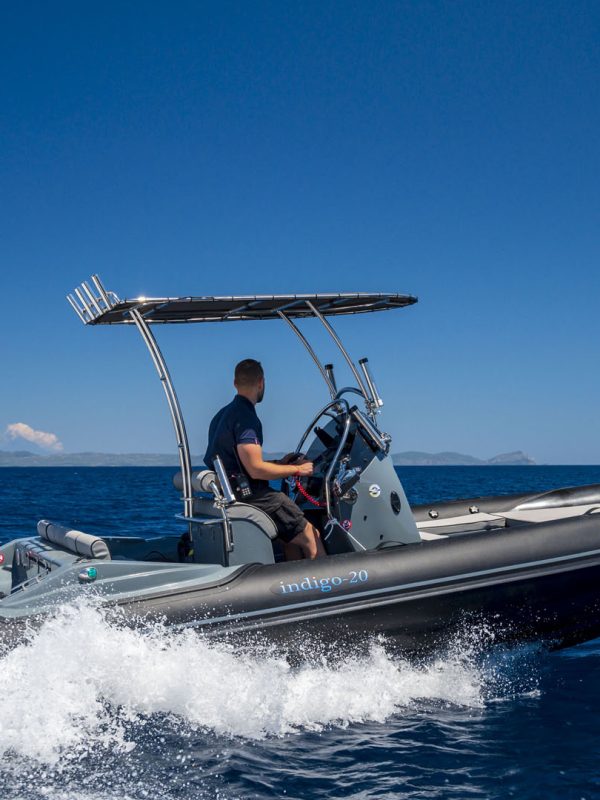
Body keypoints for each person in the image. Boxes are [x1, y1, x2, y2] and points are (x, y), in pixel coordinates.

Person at [204, 359, 326, 560]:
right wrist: (298, 470)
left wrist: (281, 464)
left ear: (235, 383)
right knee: (311, 537)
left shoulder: (222, 415)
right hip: (253, 496)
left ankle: (293, 579)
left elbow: (239, 464)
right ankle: (323, 581)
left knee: (290, 539)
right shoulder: (245, 418)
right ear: (261, 383)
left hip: (232, 493)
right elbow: (255, 470)